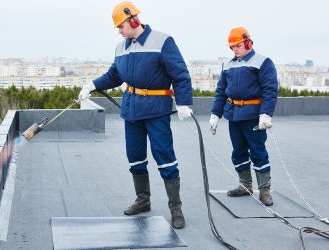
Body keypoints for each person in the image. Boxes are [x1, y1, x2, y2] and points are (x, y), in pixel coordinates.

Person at [79, 1, 193, 229]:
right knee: (135, 157)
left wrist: (184, 102)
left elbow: (180, 74)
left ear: (133, 20)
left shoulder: (162, 41)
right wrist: (92, 84)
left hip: (156, 110)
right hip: (132, 109)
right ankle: (143, 201)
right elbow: (115, 75)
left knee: (165, 157)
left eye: (120, 26)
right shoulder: (121, 47)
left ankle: (176, 208)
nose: (119, 31)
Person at [210, 27, 278, 206]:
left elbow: (270, 90)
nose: (235, 50)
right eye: (231, 47)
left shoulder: (263, 62)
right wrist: (215, 114)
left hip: (253, 116)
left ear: (248, 42)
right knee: (238, 151)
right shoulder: (228, 64)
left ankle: (264, 190)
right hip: (234, 115)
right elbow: (220, 92)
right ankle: (245, 185)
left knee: (258, 151)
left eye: (238, 45)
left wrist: (265, 114)